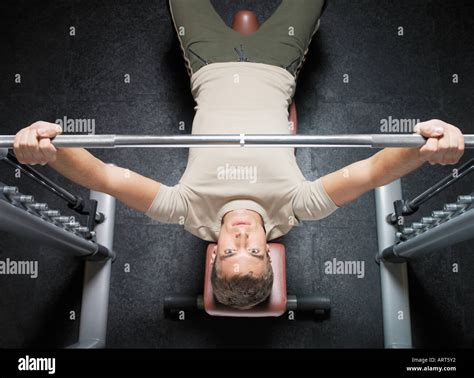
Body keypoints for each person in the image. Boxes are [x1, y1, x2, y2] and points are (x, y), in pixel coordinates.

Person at [12, 0, 464, 310]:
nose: (243, 239)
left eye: (230, 251)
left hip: (209, 63)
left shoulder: (184, 210)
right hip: (277, 63)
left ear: (213, 255)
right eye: (254, 251)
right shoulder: (297, 208)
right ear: (271, 254)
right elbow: (370, 170)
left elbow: (105, 177)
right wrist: (423, 147)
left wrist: (48, 152)